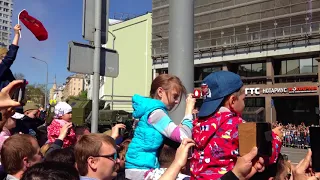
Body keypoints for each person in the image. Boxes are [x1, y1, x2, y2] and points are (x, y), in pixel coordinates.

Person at [190, 71, 282, 179]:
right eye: (244, 99)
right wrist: (275, 137)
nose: (244, 103)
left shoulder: (197, 125)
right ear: (233, 100)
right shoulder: (237, 125)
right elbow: (267, 154)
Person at [125, 74, 196, 180]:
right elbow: (184, 135)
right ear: (160, 92)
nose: (176, 101)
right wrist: (189, 111)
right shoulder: (156, 113)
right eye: (175, 96)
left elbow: (175, 131)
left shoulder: (149, 110)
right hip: (141, 170)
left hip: (138, 167)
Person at [0, 24, 21, 91]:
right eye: (2, 57)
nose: (4, 60)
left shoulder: (6, 72)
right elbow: (10, 57)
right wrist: (16, 34)